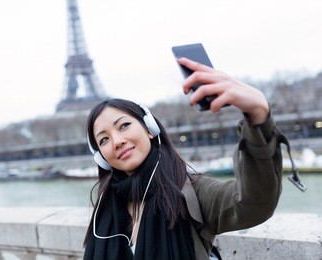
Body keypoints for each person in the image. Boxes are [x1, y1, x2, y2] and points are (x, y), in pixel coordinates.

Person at [83, 58, 285, 260]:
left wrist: (258, 117)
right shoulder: (106, 205)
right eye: (104, 140)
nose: (117, 141)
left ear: (149, 129)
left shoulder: (192, 192)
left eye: (124, 126)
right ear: (101, 157)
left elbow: (254, 203)